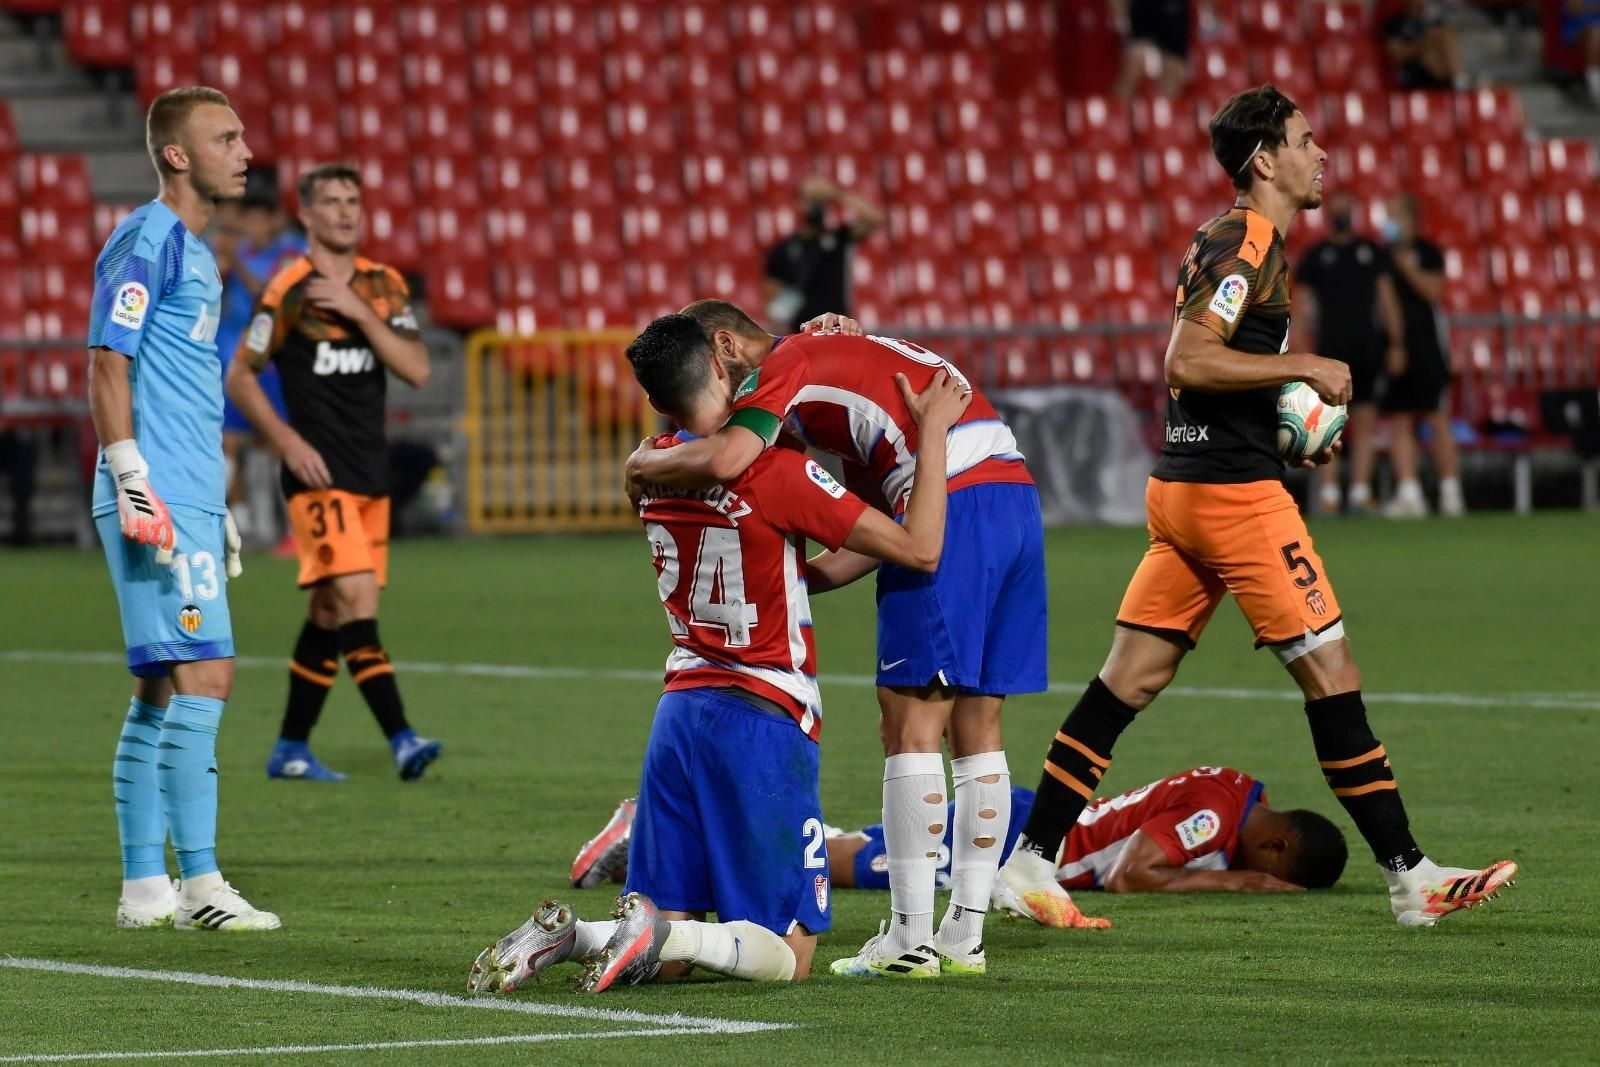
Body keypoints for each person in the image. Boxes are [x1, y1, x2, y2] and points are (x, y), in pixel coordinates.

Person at [997, 85, 1516, 931]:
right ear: (1265, 160)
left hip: (1188, 485)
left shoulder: (1222, 236)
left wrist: (1284, 433)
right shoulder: (1249, 240)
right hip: (1234, 501)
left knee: (1129, 676)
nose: (1323, 157)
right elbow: (1188, 360)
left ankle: (1028, 860)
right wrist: (1303, 365)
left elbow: (1208, 375)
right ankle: (1410, 876)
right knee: (1330, 673)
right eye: (1308, 141)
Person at [467, 313, 972, 993]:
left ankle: (571, 935)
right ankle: (631, 931)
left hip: (679, 714)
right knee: (787, 955)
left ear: (655, 401)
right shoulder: (777, 472)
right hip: (762, 717)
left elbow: (763, 525)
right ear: (720, 359)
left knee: (671, 950)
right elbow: (919, 548)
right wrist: (933, 430)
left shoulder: (650, 466)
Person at [624, 300, 1056, 979]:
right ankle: (963, 936)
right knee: (980, 723)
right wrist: (790, 582)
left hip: (951, 494)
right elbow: (871, 524)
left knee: (908, 720)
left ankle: (910, 942)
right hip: (1011, 494)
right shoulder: (829, 377)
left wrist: (641, 467)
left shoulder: (781, 367)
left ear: (727, 347)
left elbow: (735, 456)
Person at [89, 85, 278, 932]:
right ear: (177, 155)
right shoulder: (148, 239)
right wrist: (133, 475)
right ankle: (201, 887)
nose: (245, 151)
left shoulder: (196, 254)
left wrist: (215, 502)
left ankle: (144, 889)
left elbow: (176, 382)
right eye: (226, 138)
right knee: (208, 674)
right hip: (155, 494)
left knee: (161, 688)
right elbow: (107, 361)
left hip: (187, 495)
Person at [224, 163, 441, 783]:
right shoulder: (288, 286)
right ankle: (402, 737)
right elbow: (240, 375)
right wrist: (286, 441)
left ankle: (290, 748)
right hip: (318, 479)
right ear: (308, 216)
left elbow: (418, 369)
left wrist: (359, 312)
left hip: (369, 475)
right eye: (332, 202)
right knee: (355, 600)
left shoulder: (382, 285)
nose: (346, 211)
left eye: (353, 201)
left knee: (327, 612)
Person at [574, 766, 1349, 900]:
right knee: (849, 865)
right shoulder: (1220, 816)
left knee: (845, 845)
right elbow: (1130, 873)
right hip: (1018, 843)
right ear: (1277, 848)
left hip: (1021, 821)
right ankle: (658, 835)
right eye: (1275, 872)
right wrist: (1231, 880)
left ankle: (664, 831)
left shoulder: (1232, 788)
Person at [1293, 188, 1407, 514]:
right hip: (1330, 351)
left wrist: (1397, 342)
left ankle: (1359, 491)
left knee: (1366, 421)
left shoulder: (1371, 252)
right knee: (1330, 423)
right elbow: (1301, 305)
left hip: (1368, 349)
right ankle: (1329, 494)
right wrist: (1301, 346)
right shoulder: (1315, 257)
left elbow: (1387, 300)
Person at [212, 184, 305, 544]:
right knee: (229, 442)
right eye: (244, 220)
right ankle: (241, 524)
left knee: (278, 441)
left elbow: (266, 296)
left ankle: (294, 527)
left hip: (272, 362)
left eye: (256, 219)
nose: (250, 227)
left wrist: (233, 261)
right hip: (232, 359)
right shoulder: (231, 253)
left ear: (273, 221)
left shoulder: (290, 254)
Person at [1378, 192, 1463, 518]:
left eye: (1394, 216)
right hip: (1396, 350)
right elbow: (1386, 303)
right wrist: (1395, 344)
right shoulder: (1381, 257)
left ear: (1410, 220)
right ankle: (1409, 492)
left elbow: (1433, 291)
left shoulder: (1428, 253)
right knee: (1399, 418)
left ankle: (1450, 491)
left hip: (1428, 348)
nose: (1389, 224)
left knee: (1436, 416)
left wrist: (1407, 267)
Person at [762, 176, 882, 333]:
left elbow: (873, 218)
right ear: (798, 203)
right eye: (809, 200)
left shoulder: (839, 239)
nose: (815, 205)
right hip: (801, 332)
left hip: (839, 328)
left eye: (819, 201)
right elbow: (772, 297)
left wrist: (836, 194)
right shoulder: (784, 249)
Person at [1111, 0, 1190, 98]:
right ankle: (1118, 111)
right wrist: (1120, 20)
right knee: (1132, 70)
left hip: (1173, 13)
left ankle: (1165, 111)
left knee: (1173, 74)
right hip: (1144, 12)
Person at [1383, 0, 1466, 90]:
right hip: (1410, 73)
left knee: (1444, 36)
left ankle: (1459, 81)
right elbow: (1397, 55)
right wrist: (1426, 43)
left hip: (1436, 71)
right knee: (1437, 42)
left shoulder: (1428, 23)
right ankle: (1460, 81)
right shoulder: (1397, 22)